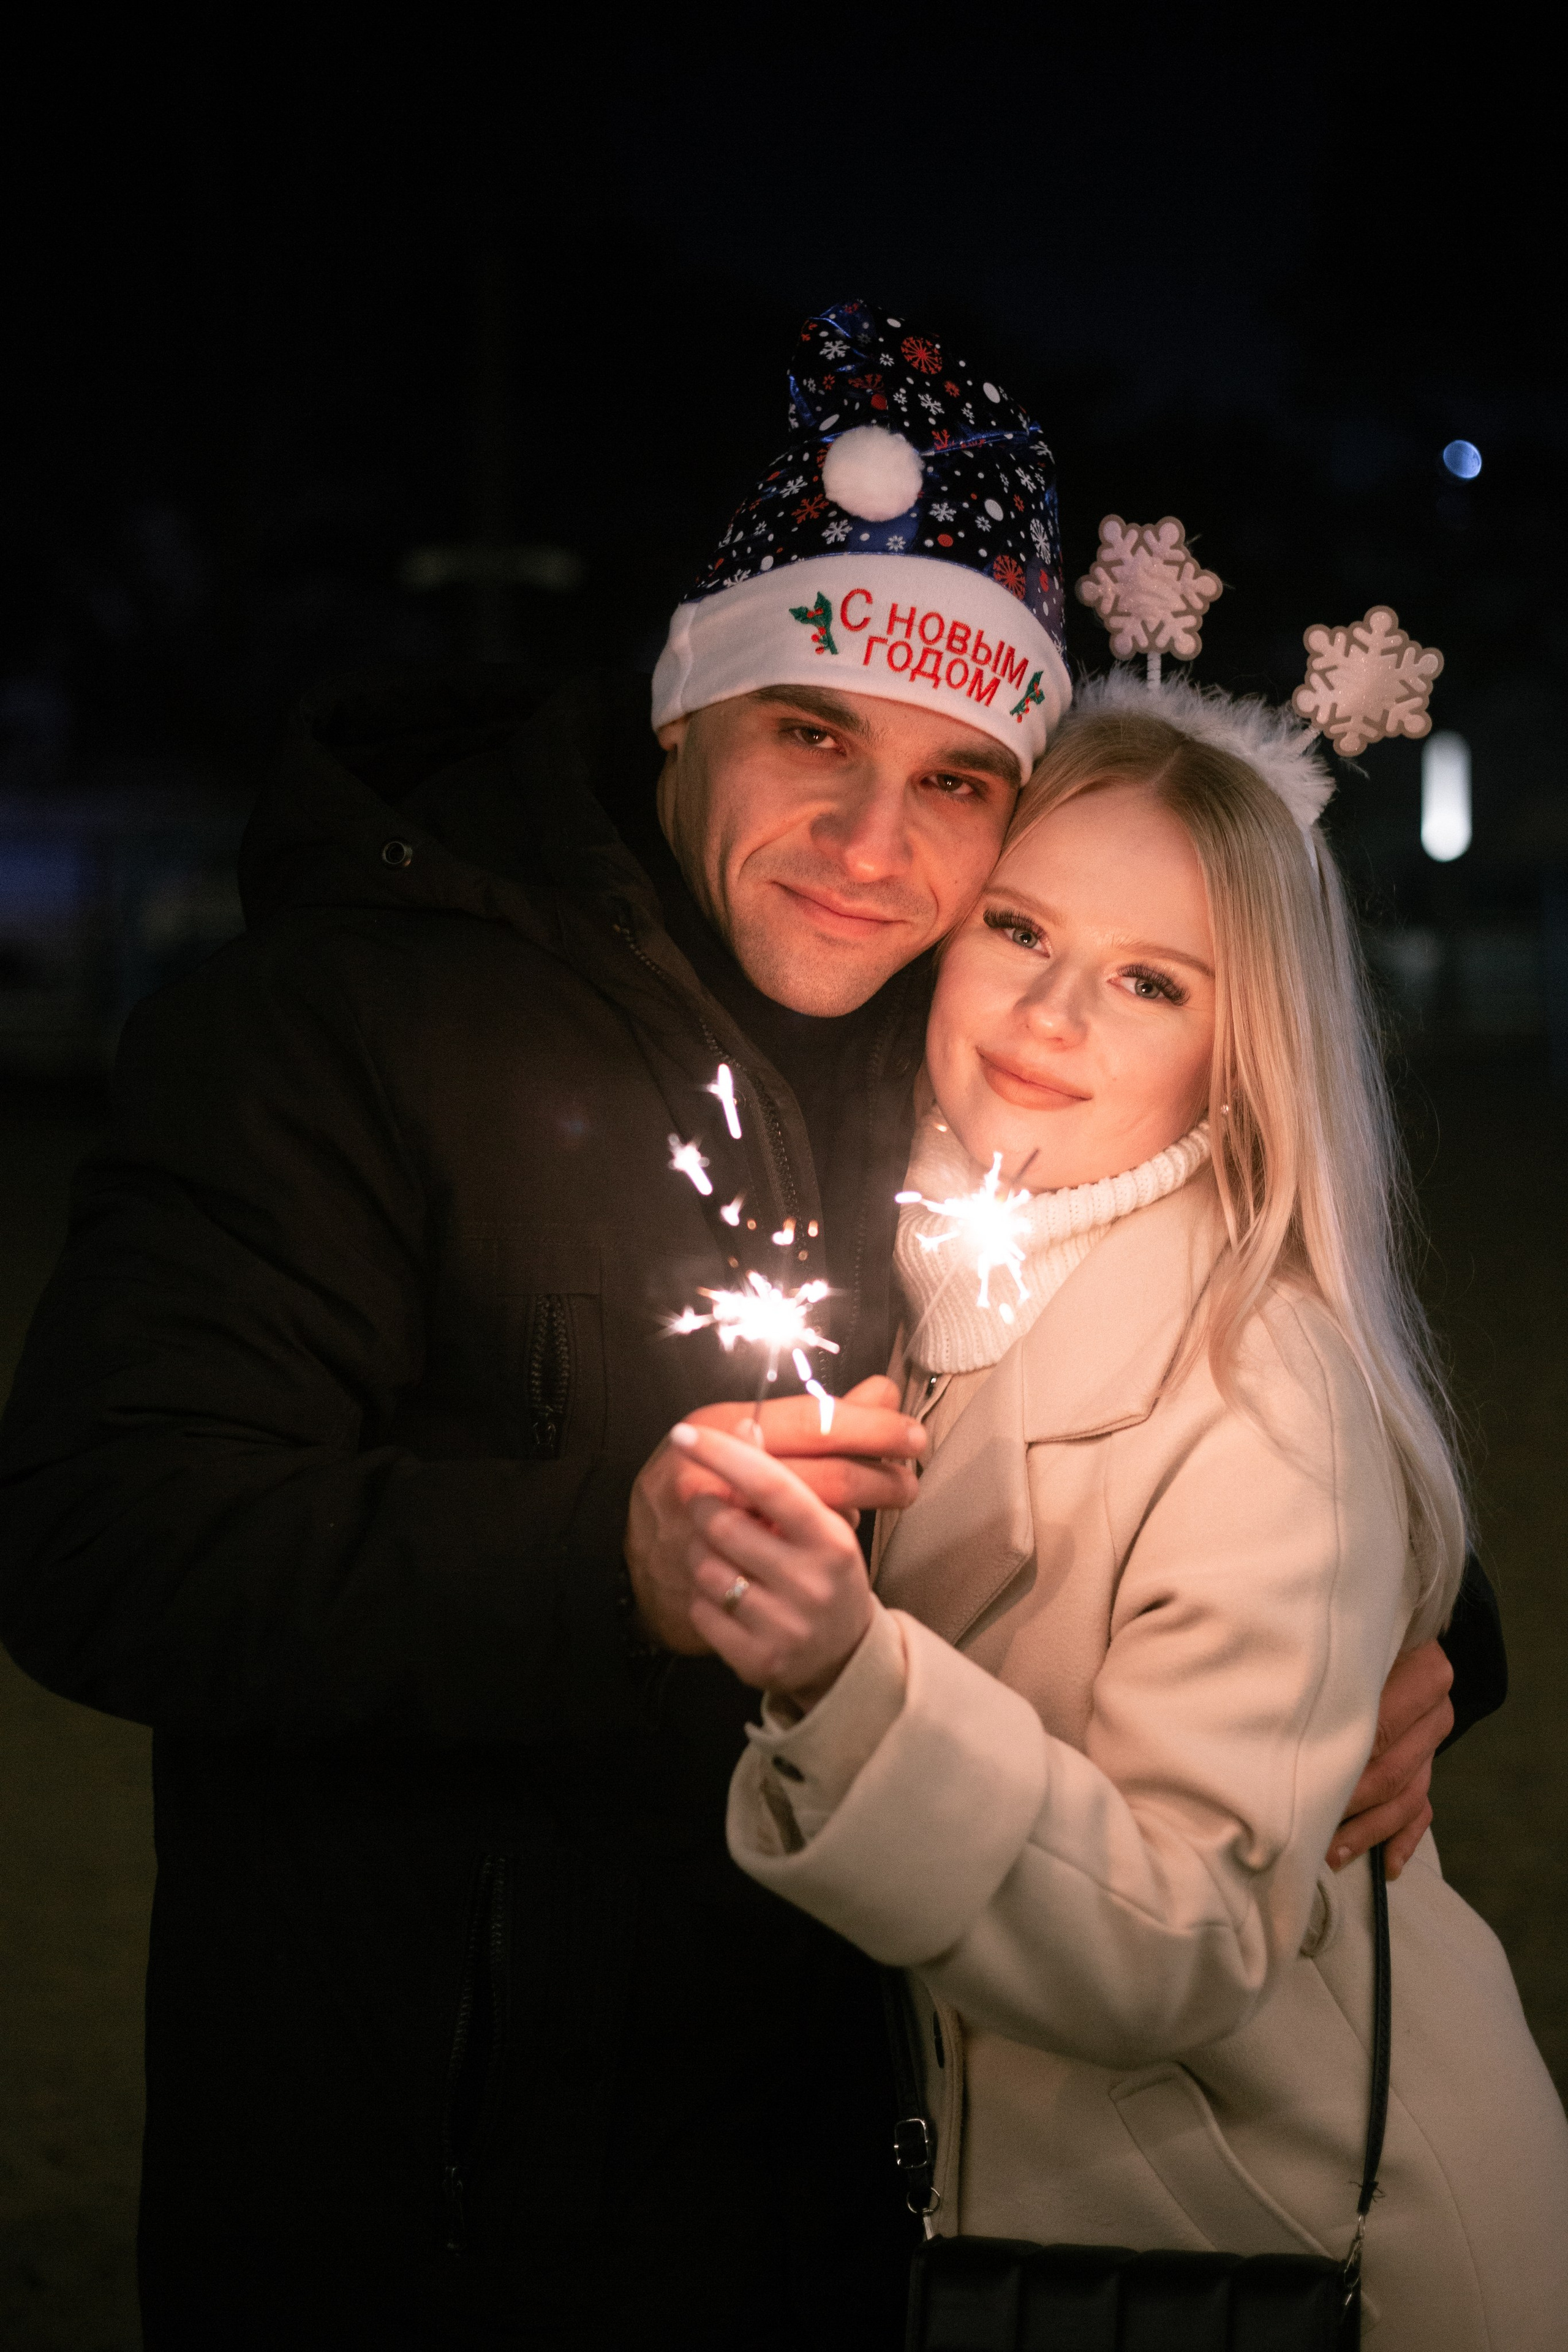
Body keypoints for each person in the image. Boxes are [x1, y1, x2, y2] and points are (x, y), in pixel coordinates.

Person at [0, 304, 1496, 2349]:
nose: (876, 853)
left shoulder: (954, 1028)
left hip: (842, 2190)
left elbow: (1216, 1355)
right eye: (813, 733)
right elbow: (97, 1540)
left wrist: (1418, 1655)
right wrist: (602, 1563)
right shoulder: (332, 1023)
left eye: (957, 782)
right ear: (687, 706)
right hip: (429, 2208)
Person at [671, 674, 1568, 2347]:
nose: (1053, 1013)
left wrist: (840, 1681)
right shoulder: (924, 1278)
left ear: (1248, 1052)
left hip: (1308, 2254)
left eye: (1151, 981)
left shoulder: (1256, 1386)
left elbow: (1187, 1946)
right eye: (1022, 928)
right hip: (1090, 2237)